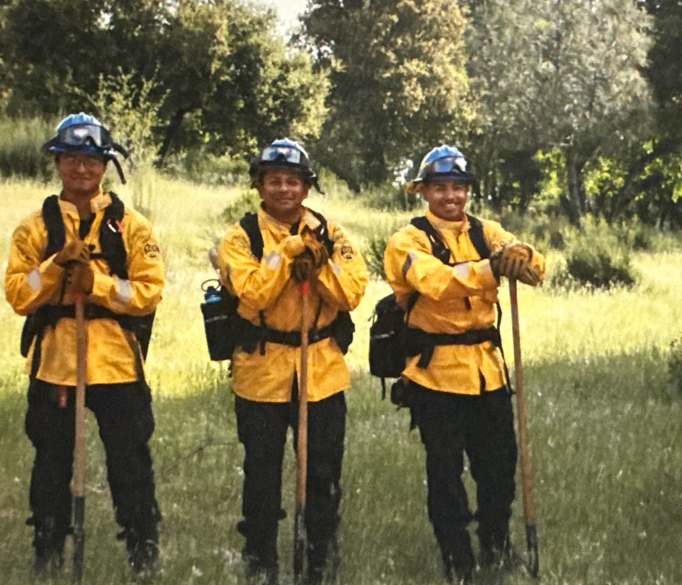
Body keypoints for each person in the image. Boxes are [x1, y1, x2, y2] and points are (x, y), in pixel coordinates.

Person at [5, 113, 163, 577]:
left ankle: (142, 550)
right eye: (71, 158)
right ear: (57, 162)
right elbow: (19, 293)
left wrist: (96, 283)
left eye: (91, 160)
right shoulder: (35, 227)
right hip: (57, 364)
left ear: (105, 166)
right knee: (51, 463)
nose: (81, 169)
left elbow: (148, 292)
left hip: (116, 365)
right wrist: (56, 267)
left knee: (130, 463)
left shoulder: (131, 227)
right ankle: (48, 549)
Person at [383, 145, 546, 583]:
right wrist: (492, 270)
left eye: (458, 187)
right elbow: (434, 282)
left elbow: (533, 264)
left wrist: (522, 256)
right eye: (440, 188)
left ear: (468, 191)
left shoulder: (485, 231)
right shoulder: (408, 240)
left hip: (488, 373)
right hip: (435, 375)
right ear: (424, 191)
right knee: (446, 472)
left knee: (500, 468)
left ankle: (496, 543)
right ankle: (457, 558)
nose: (450, 197)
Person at [216, 138, 367, 585]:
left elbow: (352, 293)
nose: (284, 189)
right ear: (260, 185)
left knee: (323, 473)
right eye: (274, 181)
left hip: (320, 368)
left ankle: (320, 556)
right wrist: (285, 255)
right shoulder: (240, 236)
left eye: (293, 181)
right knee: (262, 472)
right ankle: (261, 560)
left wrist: (320, 266)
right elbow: (251, 293)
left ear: (306, 187)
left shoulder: (331, 233)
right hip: (262, 370)